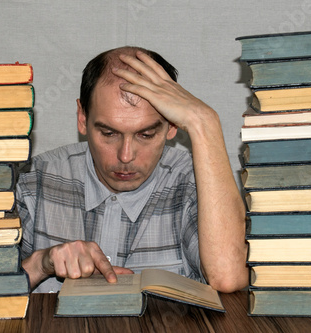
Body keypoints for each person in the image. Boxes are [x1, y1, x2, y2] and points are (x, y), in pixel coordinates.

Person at [17, 46, 248, 293]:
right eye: (108, 133)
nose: (125, 156)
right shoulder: (35, 182)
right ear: (82, 119)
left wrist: (205, 122)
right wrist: (40, 264)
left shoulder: (195, 184)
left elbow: (229, 278)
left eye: (146, 134)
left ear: (172, 127)